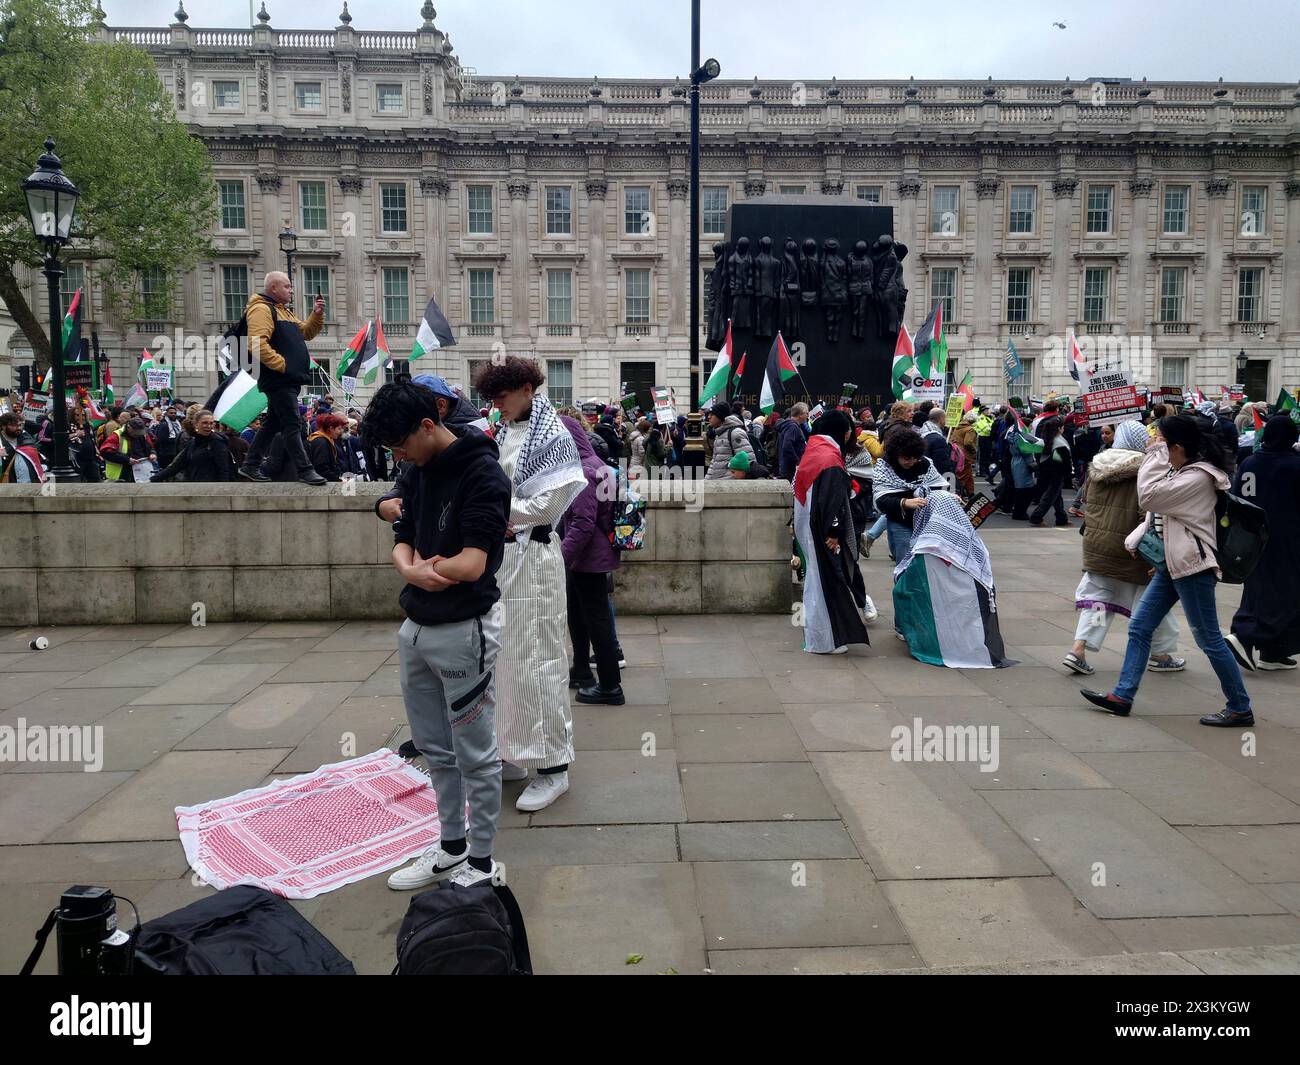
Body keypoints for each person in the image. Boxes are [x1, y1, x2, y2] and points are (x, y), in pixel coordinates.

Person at [360, 380, 511, 891]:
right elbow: (402, 535)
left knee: (476, 751)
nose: (399, 456)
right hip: (416, 626)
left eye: (401, 445)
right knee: (433, 747)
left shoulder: (482, 473)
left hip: (464, 629)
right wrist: (412, 571)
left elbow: (473, 563)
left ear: (429, 425)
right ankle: (451, 846)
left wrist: (430, 568)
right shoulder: (416, 469)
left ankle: (483, 860)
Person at [1080, 415, 1253, 727]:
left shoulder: (1198, 477)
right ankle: (1123, 696)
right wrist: (1138, 538)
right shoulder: (1183, 470)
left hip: (1192, 567)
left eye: (1158, 439)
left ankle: (1240, 707)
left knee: (1209, 639)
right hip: (1171, 566)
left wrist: (1155, 457)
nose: (1152, 443)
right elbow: (1158, 512)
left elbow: (1149, 497)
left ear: (1176, 446)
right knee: (1140, 627)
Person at [473, 357, 587, 813]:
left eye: (501, 397)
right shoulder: (503, 432)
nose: (496, 406)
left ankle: (554, 767)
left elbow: (553, 500)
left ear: (526, 388)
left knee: (539, 660)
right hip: (504, 561)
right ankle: (513, 753)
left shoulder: (553, 434)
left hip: (534, 560)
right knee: (504, 661)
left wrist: (499, 515)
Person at [1063, 421, 1182, 676]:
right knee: (1152, 602)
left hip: (1097, 544)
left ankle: (1078, 649)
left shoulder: (1097, 465)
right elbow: (1147, 513)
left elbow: (1089, 506)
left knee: (1096, 601)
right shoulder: (1146, 468)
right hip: (1132, 549)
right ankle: (1160, 654)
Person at [893, 489, 1013, 668]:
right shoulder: (969, 538)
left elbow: (912, 581)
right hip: (972, 603)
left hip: (944, 603)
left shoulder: (929, 542)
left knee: (903, 589)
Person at [236, 271, 328, 485]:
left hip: (287, 379)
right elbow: (256, 343)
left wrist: (316, 314)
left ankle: (250, 465)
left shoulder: (283, 311)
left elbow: (306, 332)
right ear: (273, 289)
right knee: (292, 423)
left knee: (273, 423)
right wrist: (283, 365)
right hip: (278, 378)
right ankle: (305, 470)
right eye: (287, 286)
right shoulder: (261, 309)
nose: (291, 290)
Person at [792, 410, 870, 655]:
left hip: (808, 528)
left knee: (815, 582)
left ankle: (819, 638)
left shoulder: (814, 451)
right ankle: (825, 641)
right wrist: (835, 532)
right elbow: (834, 500)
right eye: (847, 429)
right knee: (826, 584)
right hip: (824, 533)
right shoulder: (831, 459)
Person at [558, 414, 624, 704]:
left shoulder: (584, 472)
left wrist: (559, 557)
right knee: (580, 613)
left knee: (596, 620)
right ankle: (582, 670)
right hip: (597, 553)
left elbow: (583, 523)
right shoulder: (600, 465)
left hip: (587, 556)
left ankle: (610, 687)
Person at [1226, 415, 1300, 671]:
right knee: (1285, 594)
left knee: (1258, 588)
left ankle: (1274, 650)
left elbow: (1235, 498)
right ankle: (1245, 635)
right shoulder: (1293, 465)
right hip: (1285, 539)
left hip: (1251, 538)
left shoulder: (1249, 462)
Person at [873, 426, 948, 569]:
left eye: (915, 458)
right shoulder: (884, 467)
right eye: (906, 458)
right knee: (906, 566)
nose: (911, 462)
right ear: (896, 454)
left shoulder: (924, 463)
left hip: (927, 522)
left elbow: (938, 485)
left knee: (927, 566)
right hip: (900, 523)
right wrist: (904, 502)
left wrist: (947, 496)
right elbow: (881, 501)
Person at [152, 409, 237, 482]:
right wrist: (153, 479)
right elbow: (176, 466)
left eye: (211, 423)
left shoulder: (217, 442)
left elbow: (224, 469)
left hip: (213, 490)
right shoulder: (192, 443)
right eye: (205, 423)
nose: (208, 426)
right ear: (195, 424)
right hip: (196, 487)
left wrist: (223, 492)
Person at [1028, 416, 1072, 527]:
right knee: (1050, 496)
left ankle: (1061, 518)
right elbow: (1064, 461)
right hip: (1057, 473)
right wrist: (1068, 474)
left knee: (1056, 496)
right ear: (1059, 429)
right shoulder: (1060, 442)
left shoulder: (1047, 439)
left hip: (1047, 472)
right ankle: (1036, 517)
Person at [705, 401, 755, 479]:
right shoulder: (720, 434)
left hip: (730, 485)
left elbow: (748, 461)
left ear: (720, 416)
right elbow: (715, 462)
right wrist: (707, 480)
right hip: (719, 484)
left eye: (712, 414)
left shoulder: (736, 433)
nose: (709, 417)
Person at [0, 411, 44, 483]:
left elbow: (38, 427)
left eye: (20, 425)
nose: (18, 428)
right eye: (14, 425)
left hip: (30, 483)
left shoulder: (26, 437)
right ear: (3, 426)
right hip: (9, 486)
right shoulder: (1, 442)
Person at [306, 413, 348, 482]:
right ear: (331, 428)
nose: (341, 431)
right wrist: (338, 479)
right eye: (339, 429)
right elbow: (321, 469)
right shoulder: (322, 442)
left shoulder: (324, 439)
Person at [775, 401, 810, 480]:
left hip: (787, 467)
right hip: (790, 469)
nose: (808, 416)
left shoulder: (792, 425)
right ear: (800, 414)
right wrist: (797, 461)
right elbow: (787, 446)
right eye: (807, 413)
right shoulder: (792, 427)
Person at [949, 409, 979, 499]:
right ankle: (958, 494)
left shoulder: (958, 427)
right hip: (965, 455)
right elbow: (968, 443)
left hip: (956, 453)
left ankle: (971, 493)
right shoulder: (970, 429)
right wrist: (974, 451)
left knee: (968, 474)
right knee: (963, 476)